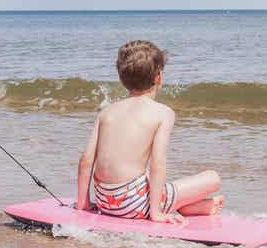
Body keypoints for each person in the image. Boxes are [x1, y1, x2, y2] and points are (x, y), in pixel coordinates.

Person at [75, 40, 225, 222]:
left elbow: (86, 160)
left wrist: (83, 202)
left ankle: (187, 206)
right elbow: (157, 163)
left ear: (121, 80)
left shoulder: (107, 111)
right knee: (212, 178)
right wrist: (156, 213)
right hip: (132, 205)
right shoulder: (163, 113)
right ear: (159, 77)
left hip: (104, 201)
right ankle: (187, 207)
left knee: (143, 177)